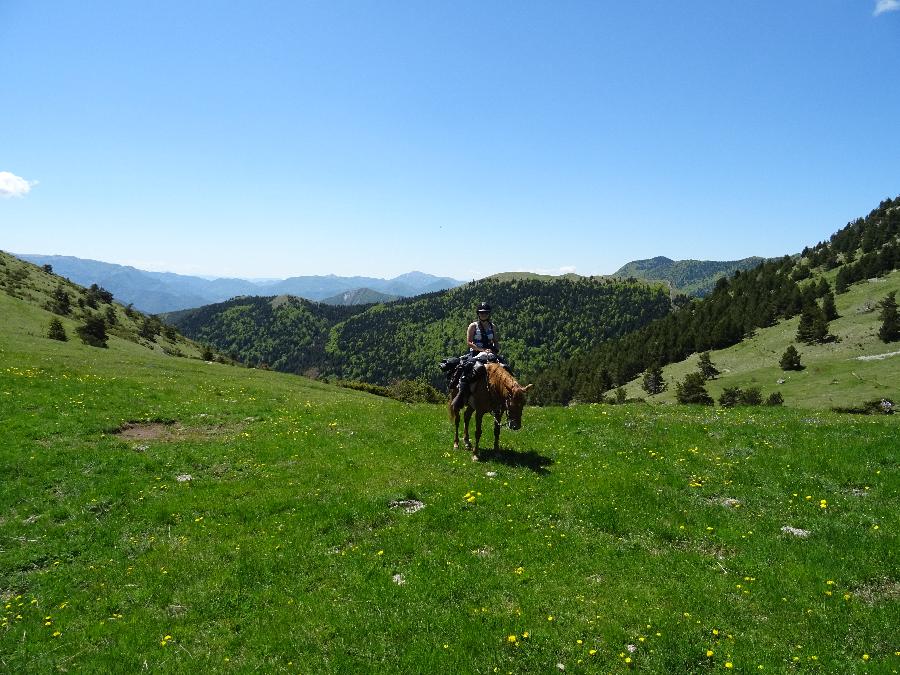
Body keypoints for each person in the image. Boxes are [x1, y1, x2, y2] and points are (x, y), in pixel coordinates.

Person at [451, 302, 500, 412]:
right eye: (481, 313)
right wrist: (481, 350)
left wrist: (496, 350)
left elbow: (496, 341)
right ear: (478, 314)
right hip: (475, 353)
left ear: (489, 314)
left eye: (486, 313)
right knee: (467, 369)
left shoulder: (493, 326)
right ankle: (460, 395)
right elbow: (469, 343)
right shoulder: (473, 326)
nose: (483, 315)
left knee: (505, 367)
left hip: (490, 354)